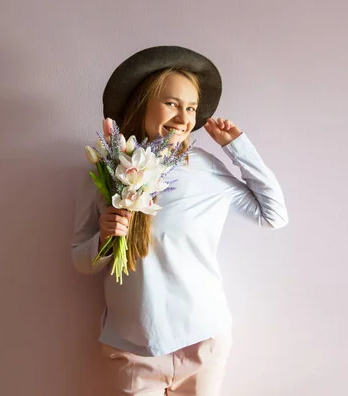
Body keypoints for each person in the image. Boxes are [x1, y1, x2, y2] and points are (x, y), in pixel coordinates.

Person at [70, 46, 289, 396]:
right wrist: (105, 239)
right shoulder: (104, 173)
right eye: (172, 103)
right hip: (131, 350)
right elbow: (81, 260)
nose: (184, 116)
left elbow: (273, 214)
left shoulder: (203, 168)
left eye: (190, 108)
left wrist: (238, 147)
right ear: (142, 103)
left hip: (203, 342)